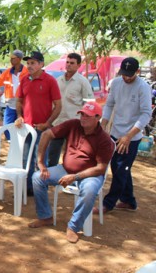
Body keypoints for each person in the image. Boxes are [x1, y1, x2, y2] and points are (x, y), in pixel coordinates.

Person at [28, 101, 114, 243]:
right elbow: (46, 134)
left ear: (98, 118)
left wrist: (75, 177)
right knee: (37, 177)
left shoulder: (104, 139)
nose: (83, 118)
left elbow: (101, 168)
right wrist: (41, 162)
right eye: (82, 115)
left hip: (90, 174)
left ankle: (74, 226)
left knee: (89, 191)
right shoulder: (73, 124)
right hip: (66, 169)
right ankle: (45, 217)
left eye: (88, 116)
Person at [97, 57, 152, 213]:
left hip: (132, 137)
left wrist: (129, 135)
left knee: (121, 169)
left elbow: (146, 114)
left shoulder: (143, 87)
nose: (126, 77)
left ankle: (108, 203)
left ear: (138, 72)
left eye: (130, 74)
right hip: (115, 132)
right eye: (124, 74)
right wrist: (103, 125)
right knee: (118, 167)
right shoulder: (116, 83)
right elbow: (109, 104)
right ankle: (129, 201)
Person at [15, 51, 61, 196]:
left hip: (42, 129)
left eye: (33, 63)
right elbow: (19, 101)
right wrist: (19, 116)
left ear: (41, 64)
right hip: (26, 128)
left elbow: (58, 105)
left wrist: (47, 124)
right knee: (25, 159)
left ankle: (40, 188)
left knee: (40, 159)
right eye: (28, 63)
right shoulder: (24, 80)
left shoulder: (50, 80)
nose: (29, 66)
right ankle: (27, 188)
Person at [47, 53, 94, 167]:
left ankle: (70, 178)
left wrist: (85, 122)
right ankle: (51, 177)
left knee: (71, 154)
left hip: (74, 124)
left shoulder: (83, 82)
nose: (68, 65)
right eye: (67, 62)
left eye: (72, 63)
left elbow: (89, 103)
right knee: (53, 152)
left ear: (78, 65)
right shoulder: (58, 80)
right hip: (57, 122)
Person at [0, 50, 28, 139]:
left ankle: (21, 145)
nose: (11, 60)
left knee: (23, 127)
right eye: (10, 58)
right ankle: (11, 142)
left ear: (19, 59)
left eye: (13, 58)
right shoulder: (7, 72)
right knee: (6, 127)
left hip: (23, 105)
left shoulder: (27, 72)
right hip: (10, 105)